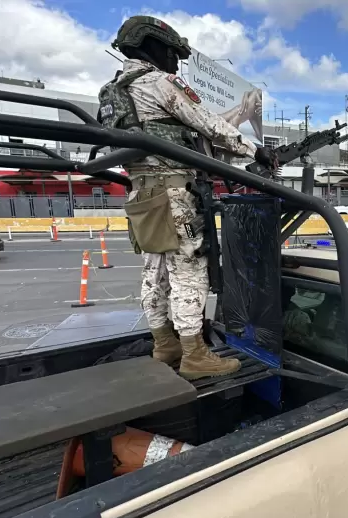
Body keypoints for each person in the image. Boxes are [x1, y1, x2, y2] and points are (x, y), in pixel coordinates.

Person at [101, 16, 278, 380]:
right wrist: (254, 151)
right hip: (174, 193)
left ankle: (164, 344)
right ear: (152, 47)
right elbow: (207, 122)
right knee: (189, 272)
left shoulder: (112, 92)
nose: (176, 63)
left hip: (142, 194)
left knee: (155, 272)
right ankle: (195, 354)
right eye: (172, 54)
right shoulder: (159, 83)